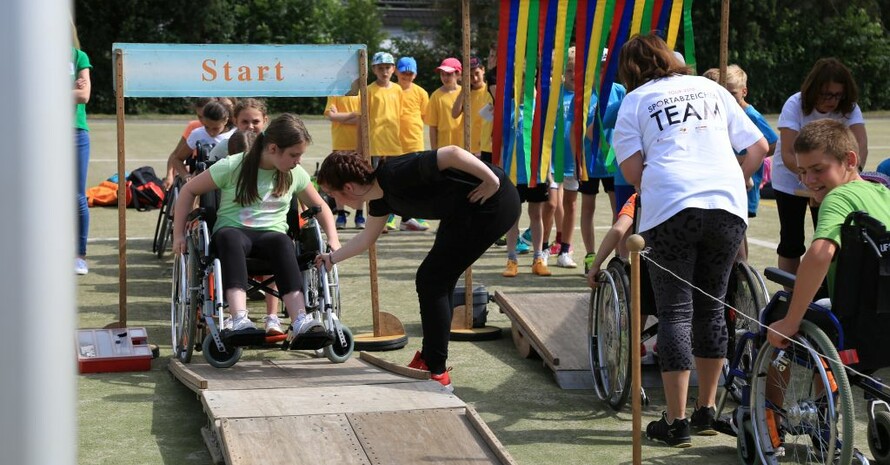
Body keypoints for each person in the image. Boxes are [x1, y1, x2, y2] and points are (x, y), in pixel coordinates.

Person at [613, 33, 768, 447]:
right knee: (712, 309)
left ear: (630, 71)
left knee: (676, 312)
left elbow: (631, 171)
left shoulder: (636, 100)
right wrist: (733, 179)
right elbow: (759, 146)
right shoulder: (710, 87)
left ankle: (676, 419)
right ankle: (707, 409)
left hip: (672, 208)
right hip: (726, 206)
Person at [314, 147, 520, 391]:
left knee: (431, 279)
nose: (336, 202)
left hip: (493, 203)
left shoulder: (396, 173)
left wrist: (491, 180)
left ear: (348, 188)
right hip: (461, 211)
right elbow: (366, 238)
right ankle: (432, 362)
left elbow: (452, 153)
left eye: (331, 194)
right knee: (437, 279)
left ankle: (436, 371)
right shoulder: (380, 198)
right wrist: (332, 258)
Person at [172, 114, 341, 337]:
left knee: (283, 241)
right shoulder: (233, 166)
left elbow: (320, 206)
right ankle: (239, 318)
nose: (298, 161)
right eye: (294, 154)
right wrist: (178, 236)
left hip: (271, 236)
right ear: (272, 148)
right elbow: (188, 191)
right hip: (233, 232)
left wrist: (333, 238)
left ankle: (300, 319)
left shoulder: (294, 174)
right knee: (229, 238)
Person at [768, 119, 890, 348]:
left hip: (855, 326)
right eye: (802, 172)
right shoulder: (884, 193)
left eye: (818, 169)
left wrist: (790, 322)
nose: (809, 180)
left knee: (776, 317)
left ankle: (770, 383)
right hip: (882, 319)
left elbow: (820, 254)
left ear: (850, 160)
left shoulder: (838, 197)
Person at [771, 58, 868, 277]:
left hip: (831, 181)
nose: (832, 101)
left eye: (837, 95)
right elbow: (788, 152)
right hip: (790, 178)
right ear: (813, 90)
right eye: (826, 95)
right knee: (791, 240)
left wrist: (852, 177)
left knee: (829, 238)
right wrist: (810, 182)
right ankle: (790, 293)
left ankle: (829, 295)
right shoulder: (795, 104)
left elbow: (860, 145)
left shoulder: (849, 108)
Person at [702, 65, 779, 260]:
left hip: (745, 179)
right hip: (726, 178)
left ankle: (741, 267)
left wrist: (742, 159)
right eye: (723, 92)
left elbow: (772, 143)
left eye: (732, 92)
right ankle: (739, 266)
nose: (727, 97)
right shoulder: (720, 111)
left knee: (737, 226)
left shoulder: (750, 114)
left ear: (744, 91)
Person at [166, 100, 236, 186]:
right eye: (207, 127)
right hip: (202, 182)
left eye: (215, 128)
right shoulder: (197, 134)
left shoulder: (235, 134)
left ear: (225, 121)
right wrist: (186, 175)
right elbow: (177, 159)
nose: (211, 133)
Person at [324, 91, 365, 230]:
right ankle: (341, 214)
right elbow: (331, 116)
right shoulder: (335, 94)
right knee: (338, 181)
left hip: (359, 145)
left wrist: (340, 118)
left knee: (360, 181)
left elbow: (364, 119)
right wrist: (353, 115)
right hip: (339, 144)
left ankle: (359, 215)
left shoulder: (363, 93)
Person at [72, 22, 92, 275]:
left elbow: (84, 96)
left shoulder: (78, 56)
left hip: (75, 132)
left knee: (77, 197)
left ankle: (79, 255)